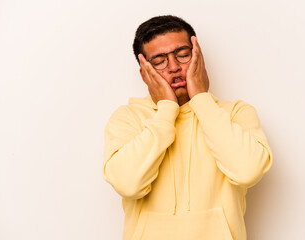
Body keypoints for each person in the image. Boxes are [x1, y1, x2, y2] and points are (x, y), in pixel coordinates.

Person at [102, 15, 273, 240]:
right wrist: (166, 110)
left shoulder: (236, 113)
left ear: (198, 58)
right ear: (144, 74)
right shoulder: (127, 118)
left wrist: (201, 99)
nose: (174, 67)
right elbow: (127, 185)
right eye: (160, 61)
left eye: (183, 55)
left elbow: (247, 172)